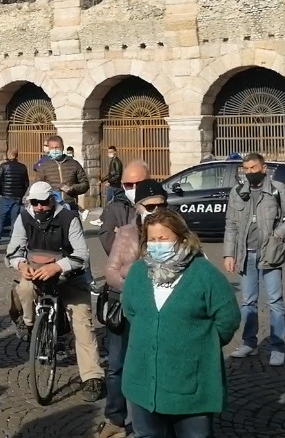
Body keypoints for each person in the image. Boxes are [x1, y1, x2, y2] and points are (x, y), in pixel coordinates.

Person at [122, 210, 240, 437]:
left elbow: (228, 318)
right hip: (143, 383)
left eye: (163, 238)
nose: (157, 245)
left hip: (190, 385)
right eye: (152, 240)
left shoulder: (204, 273)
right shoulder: (138, 272)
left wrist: (201, 344)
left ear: (181, 237)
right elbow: (131, 312)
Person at [6, 181, 105, 402]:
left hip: (70, 277)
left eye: (43, 202)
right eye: (35, 202)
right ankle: (28, 323)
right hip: (36, 274)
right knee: (22, 287)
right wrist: (22, 265)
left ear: (52, 200)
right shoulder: (23, 218)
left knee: (82, 323)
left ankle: (92, 377)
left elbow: (82, 255)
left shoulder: (69, 219)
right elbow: (13, 250)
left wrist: (58, 266)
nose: (39, 207)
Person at [97, 179, 166, 438]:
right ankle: (115, 418)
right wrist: (138, 272)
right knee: (116, 365)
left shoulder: (175, 231)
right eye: (150, 206)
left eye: (161, 205)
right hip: (124, 305)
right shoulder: (126, 233)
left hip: (158, 309)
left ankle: (153, 421)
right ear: (139, 207)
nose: (156, 211)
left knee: (153, 364)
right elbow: (112, 273)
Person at [223, 152, 285, 365]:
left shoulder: (277, 190)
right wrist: (229, 253)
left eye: (253, 168)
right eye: (246, 169)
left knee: (275, 301)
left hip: (271, 253)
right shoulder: (238, 192)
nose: (250, 172)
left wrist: (278, 235)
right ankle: (249, 343)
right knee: (248, 301)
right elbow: (231, 223)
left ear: (263, 168)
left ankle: (278, 346)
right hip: (245, 253)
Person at [98, 160, 149, 256]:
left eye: (139, 184)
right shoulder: (113, 210)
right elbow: (111, 246)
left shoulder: (159, 205)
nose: (134, 188)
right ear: (122, 184)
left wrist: (124, 236)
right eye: (129, 185)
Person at [36, 135, 89, 212]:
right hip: (51, 207)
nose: (54, 150)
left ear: (62, 147)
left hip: (70, 205)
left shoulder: (74, 164)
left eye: (57, 148)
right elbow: (39, 186)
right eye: (52, 148)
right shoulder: (44, 166)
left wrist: (72, 188)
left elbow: (85, 184)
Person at [0, 148, 29, 244]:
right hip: (17, 196)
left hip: (6, 195)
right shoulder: (22, 167)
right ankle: (13, 237)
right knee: (15, 218)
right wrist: (21, 193)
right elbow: (26, 183)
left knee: (1, 217)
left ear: (8, 155)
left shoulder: (4, 166)